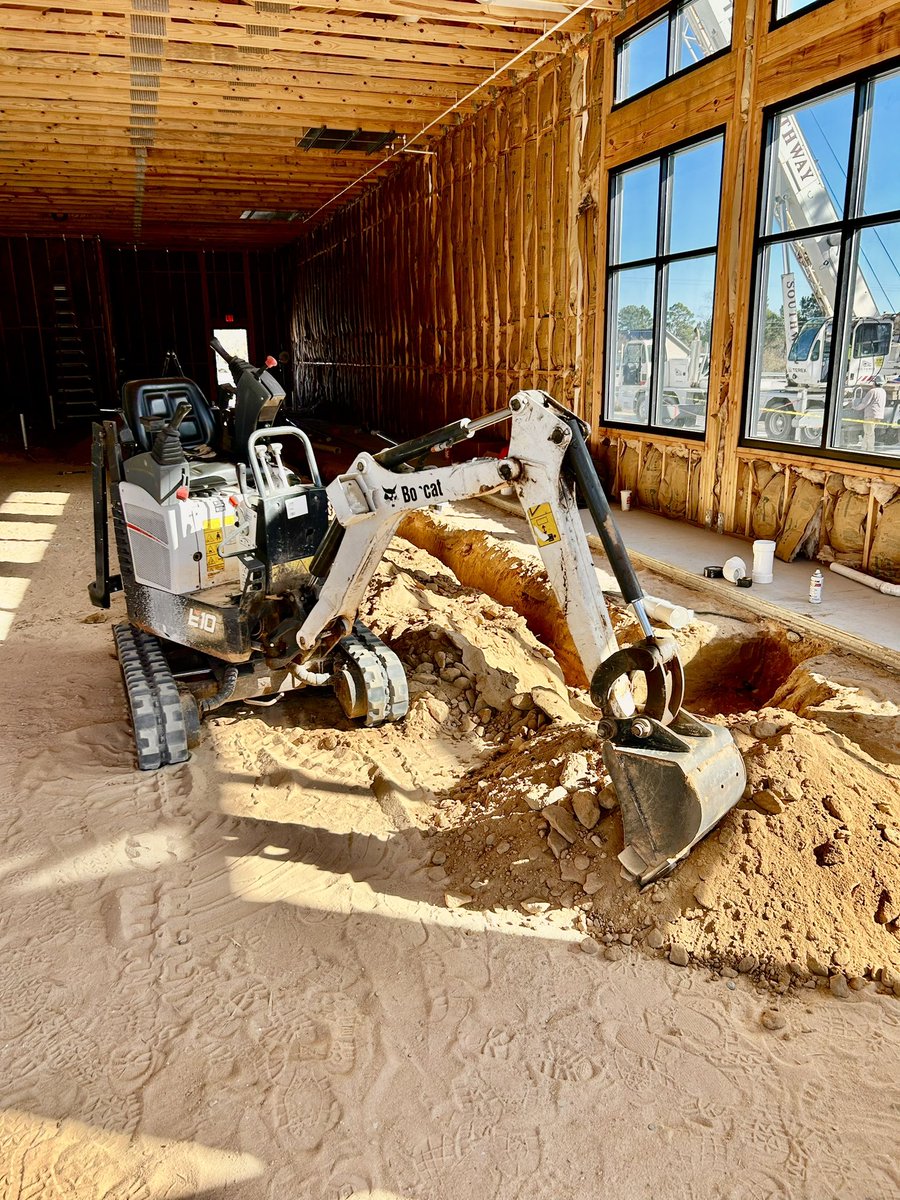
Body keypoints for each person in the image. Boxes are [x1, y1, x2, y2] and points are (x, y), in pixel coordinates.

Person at [852, 374, 887, 453]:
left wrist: (855, 408)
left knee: (869, 433)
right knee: (868, 432)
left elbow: (864, 403)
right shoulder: (883, 391)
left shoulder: (872, 391)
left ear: (875, 382)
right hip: (879, 415)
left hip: (870, 415)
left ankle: (870, 450)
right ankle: (863, 448)